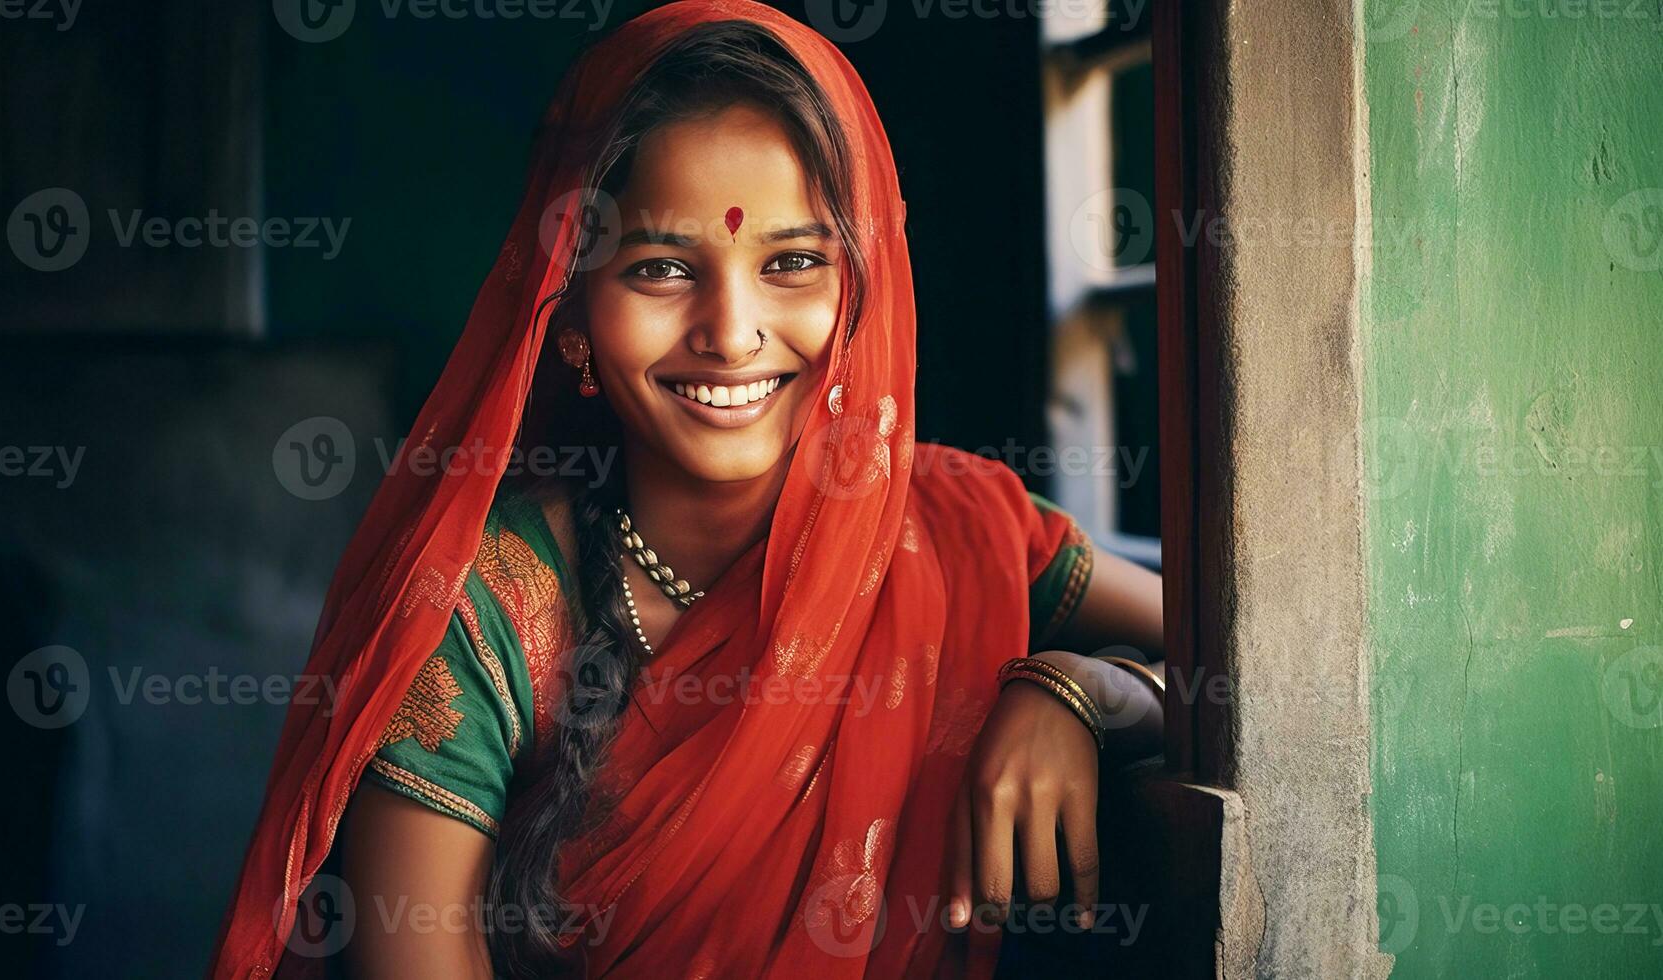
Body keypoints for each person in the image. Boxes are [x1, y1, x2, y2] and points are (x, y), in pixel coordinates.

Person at [211, 2, 1166, 977]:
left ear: (862, 288)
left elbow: (1237, 671)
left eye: (791, 262)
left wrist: (1079, 687)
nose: (732, 329)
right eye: (663, 267)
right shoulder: (478, 610)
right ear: (574, 301)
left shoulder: (961, 529)